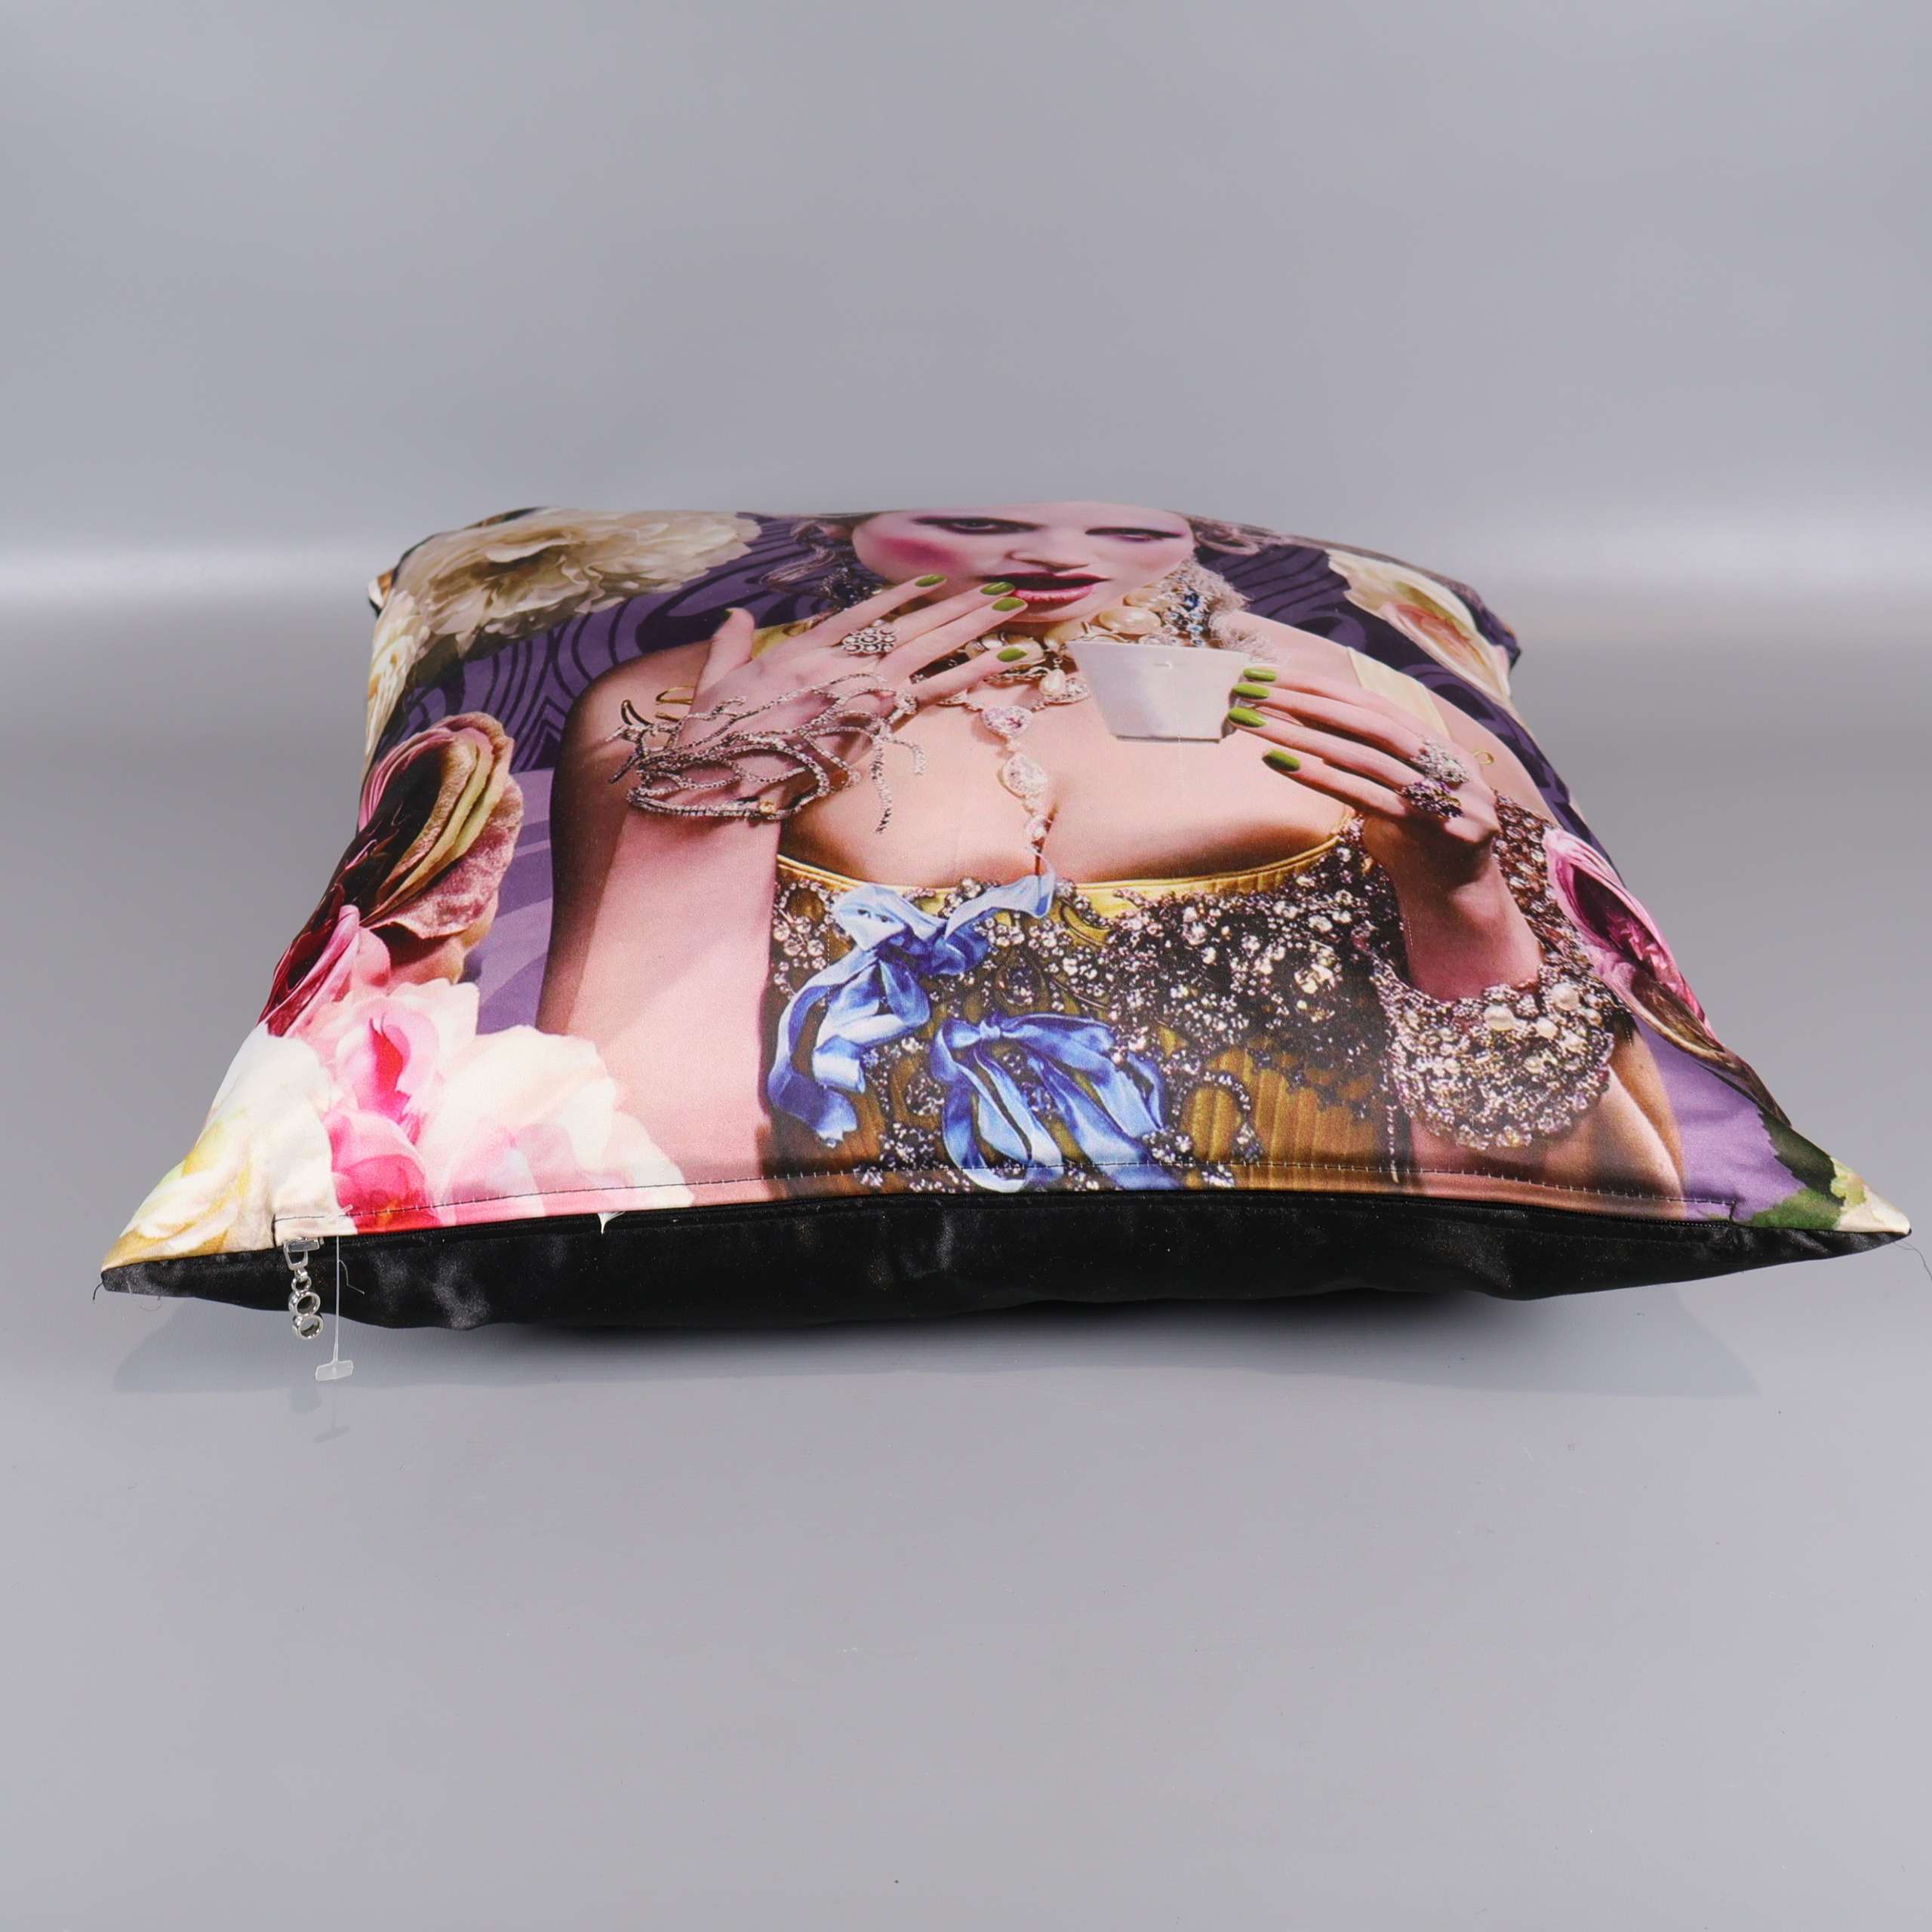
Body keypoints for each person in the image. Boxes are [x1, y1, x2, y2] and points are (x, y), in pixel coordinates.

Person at [537, 502, 1681, 1208]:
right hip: (814, 1218)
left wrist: (1459, 895)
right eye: (975, 522)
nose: (1053, 553)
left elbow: (1563, 1134)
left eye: (1127, 529)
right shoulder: (692, 699)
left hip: (1362, 1194)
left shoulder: (1357, 695)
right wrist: (715, 795)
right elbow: (617, 1120)